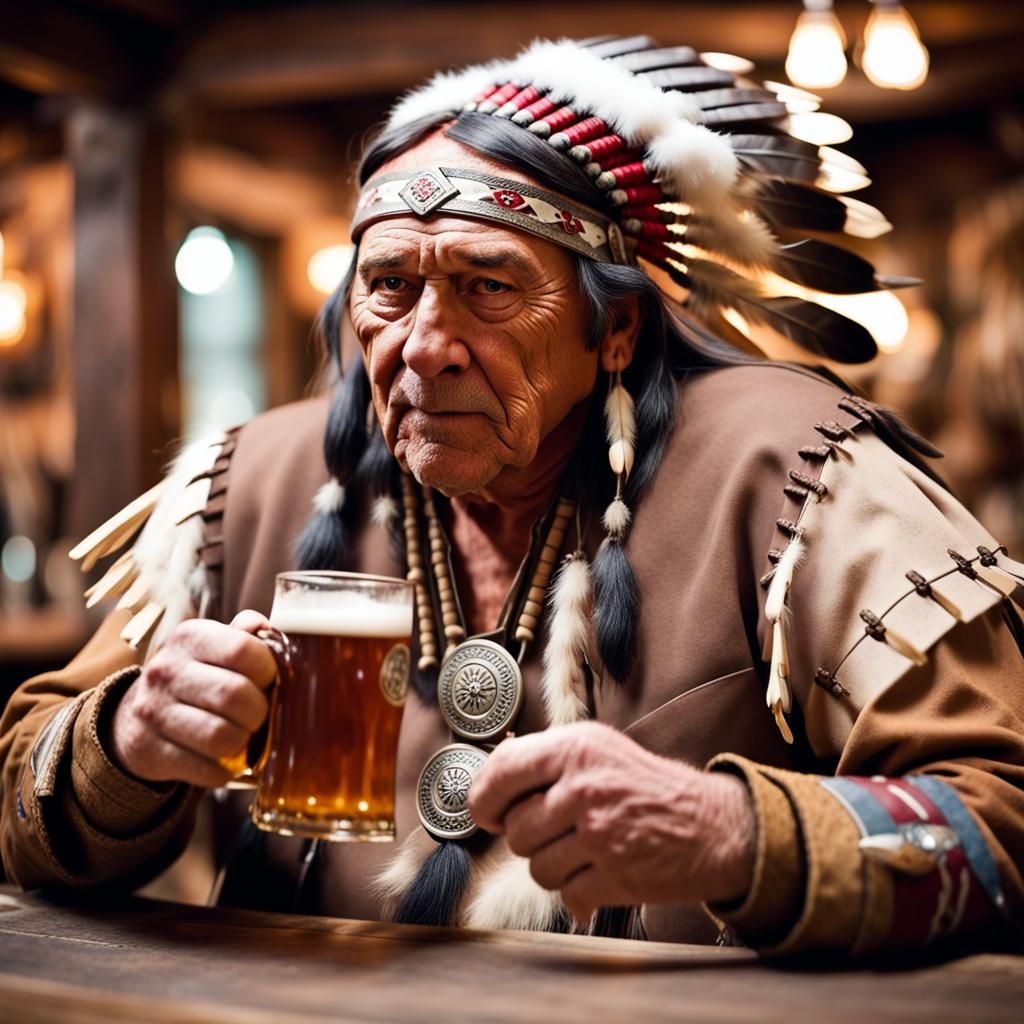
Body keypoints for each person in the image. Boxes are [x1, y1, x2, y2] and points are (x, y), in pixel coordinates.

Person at [1, 37, 1022, 955]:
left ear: (612, 330)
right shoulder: (246, 485)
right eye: (389, 286)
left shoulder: (797, 471)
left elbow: (1001, 817)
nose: (423, 346)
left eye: (488, 286)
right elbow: (21, 799)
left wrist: (734, 835)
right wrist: (127, 742)